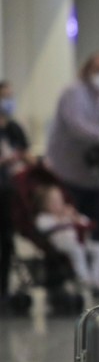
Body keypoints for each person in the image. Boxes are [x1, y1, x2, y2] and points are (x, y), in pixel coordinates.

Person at [45, 52, 99, 254]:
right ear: (87, 70)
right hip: (67, 174)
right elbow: (77, 125)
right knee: (70, 229)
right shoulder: (74, 92)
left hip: (93, 177)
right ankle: (72, 269)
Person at [34, 184, 99, 291]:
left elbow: (86, 222)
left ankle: (96, 277)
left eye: (59, 200)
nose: (57, 204)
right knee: (77, 249)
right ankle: (83, 278)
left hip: (80, 242)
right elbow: (42, 227)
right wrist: (60, 219)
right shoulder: (45, 217)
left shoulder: (69, 214)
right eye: (53, 201)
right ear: (45, 204)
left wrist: (75, 217)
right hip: (61, 244)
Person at [0, 81, 31, 304]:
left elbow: (26, 154)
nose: (8, 101)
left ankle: (3, 289)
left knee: (6, 240)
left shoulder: (14, 129)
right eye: (4, 96)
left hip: (11, 193)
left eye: (10, 96)